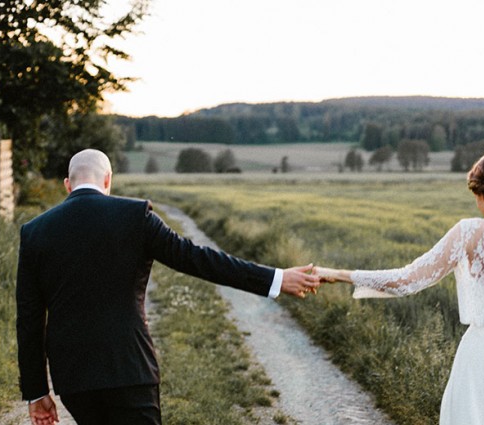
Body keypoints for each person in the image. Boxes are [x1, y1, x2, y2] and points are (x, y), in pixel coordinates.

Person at [16, 149, 320, 425]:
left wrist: (37, 392)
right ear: (108, 180)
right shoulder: (135, 217)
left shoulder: (34, 232)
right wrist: (276, 278)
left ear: (67, 185)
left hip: (74, 379)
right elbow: (198, 259)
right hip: (130, 369)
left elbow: (29, 320)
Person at [315, 152, 484, 424]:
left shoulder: (470, 232)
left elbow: (407, 280)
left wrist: (340, 274)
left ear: (482, 193)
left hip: (483, 358)